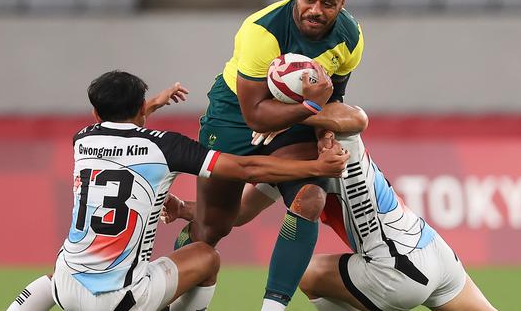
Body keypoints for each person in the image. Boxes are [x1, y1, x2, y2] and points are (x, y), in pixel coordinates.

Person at [7, 70, 349, 311]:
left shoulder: (82, 139)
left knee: (63, 270)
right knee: (206, 256)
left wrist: (152, 103)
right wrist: (316, 168)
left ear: (96, 113)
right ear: (140, 109)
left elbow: (117, 128)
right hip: (121, 301)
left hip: (67, 291)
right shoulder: (167, 147)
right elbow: (247, 169)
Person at [163, 103, 498, 311]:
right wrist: (187, 210)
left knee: (305, 274)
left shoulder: (333, 144)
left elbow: (354, 119)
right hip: (432, 248)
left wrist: (291, 114)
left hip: (396, 269)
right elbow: (243, 213)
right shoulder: (300, 167)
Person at [191, 0, 365, 310]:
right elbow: (255, 115)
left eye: (328, 3)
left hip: (299, 118)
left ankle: (273, 307)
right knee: (213, 226)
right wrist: (313, 109)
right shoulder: (261, 30)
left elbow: (336, 97)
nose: (315, 10)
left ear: (342, 3)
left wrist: (324, 137)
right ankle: (177, 298)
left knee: (310, 198)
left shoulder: (351, 38)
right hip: (235, 115)